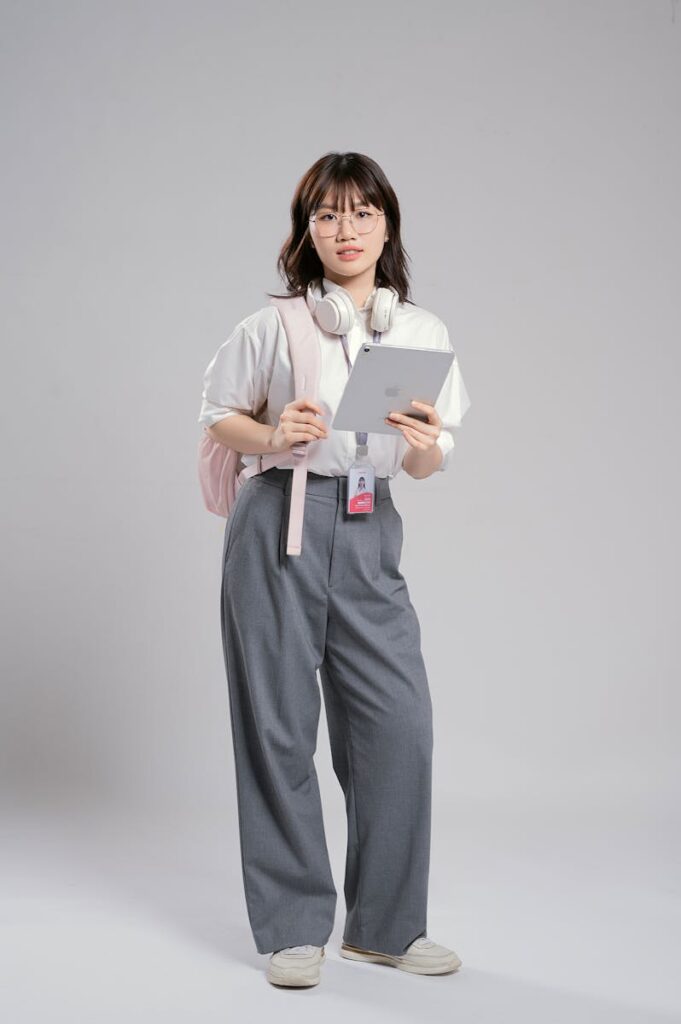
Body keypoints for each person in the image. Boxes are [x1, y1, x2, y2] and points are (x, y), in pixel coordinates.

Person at [198, 151, 471, 988]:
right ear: (305, 231)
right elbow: (218, 418)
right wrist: (274, 435)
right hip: (279, 518)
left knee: (398, 723)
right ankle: (291, 925)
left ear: (387, 225)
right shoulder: (269, 325)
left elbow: (424, 462)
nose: (344, 230)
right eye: (326, 214)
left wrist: (425, 450)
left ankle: (386, 927)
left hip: (366, 521)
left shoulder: (421, 332)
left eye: (361, 213)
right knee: (278, 724)